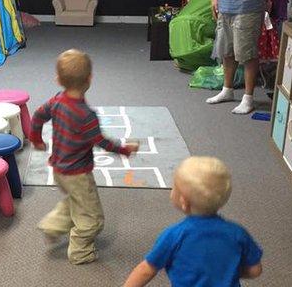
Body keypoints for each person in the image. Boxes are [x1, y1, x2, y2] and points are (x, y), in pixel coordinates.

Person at [30, 49, 139, 265]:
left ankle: (53, 224)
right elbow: (101, 142)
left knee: (74, 200)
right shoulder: (86, 115)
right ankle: (80, 251)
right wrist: (125, 149)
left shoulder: (56, 100)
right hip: (77, 174)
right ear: (90, 79)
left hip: (59, 169)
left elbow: (37, 116)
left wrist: (36, 139)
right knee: (92, 218)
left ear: (58, 79)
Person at [123, 156, 262, 286]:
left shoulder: (174, 235)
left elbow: (146, 270)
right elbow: (255, 270)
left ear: (183, 202)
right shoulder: (238, 233)